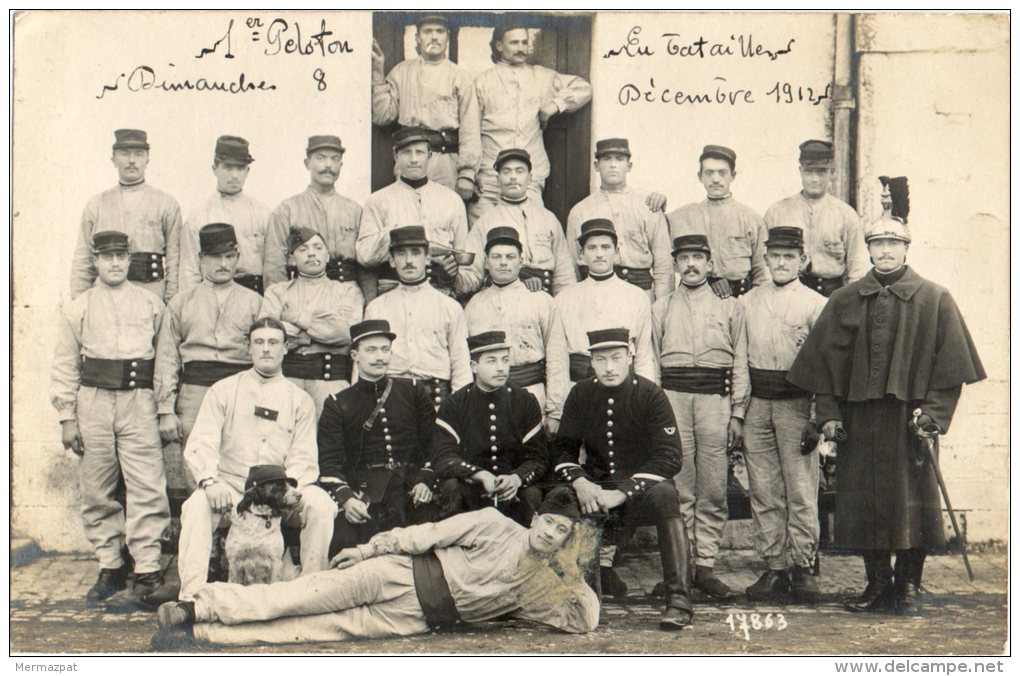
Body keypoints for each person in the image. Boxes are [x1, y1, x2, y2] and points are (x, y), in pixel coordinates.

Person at [787, 177, 985, 616]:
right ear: (869, 249)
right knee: (861, 502)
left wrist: (933, 414)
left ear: (906, 249)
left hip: (908, 421)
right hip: (859, 420)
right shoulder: (844, 299)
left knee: (912, 504)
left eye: (893, 244)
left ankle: (908, 586)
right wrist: (830, 417)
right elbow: (824, 369)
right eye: (877, 244)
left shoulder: (935, 299)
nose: (885, 252)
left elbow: (950, 369)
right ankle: (876, 584)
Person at [154, 488, 599, 646]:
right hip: (397, 572)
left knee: (305, 631)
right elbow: (425, 535)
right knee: (297, 596)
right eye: (548, 523)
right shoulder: (492, 522)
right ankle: (196, 609)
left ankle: (199, 636)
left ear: (565, 539)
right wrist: (369, 551)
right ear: (535, 519)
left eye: (562, 531)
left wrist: (572, 568)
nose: (549, 533)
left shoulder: (546, 585)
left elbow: (585, 621)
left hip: (411, 618)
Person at [176, 317, 338, 602]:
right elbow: (201, 441)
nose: (266, 349)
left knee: (322, 506)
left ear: (286, 348)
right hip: (232, 486)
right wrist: (210, 482)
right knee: (196, 507)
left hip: (279, 490)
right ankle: (191, 597)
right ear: (248, 348)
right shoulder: (223, 390)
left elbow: (304, 457)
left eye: (273, 342)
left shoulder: (299, 399)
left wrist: (283, 494)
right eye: (259, 342)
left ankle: (312, 592)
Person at [51, 230, 172, 607]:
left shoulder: (151, 304)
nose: (116, 263)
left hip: (139, 401)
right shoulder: (79, 307)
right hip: (94, 402)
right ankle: (110, 564)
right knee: (96, 486)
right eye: (108, 257)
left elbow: (165, 361)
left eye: (122, 256)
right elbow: (65, 363)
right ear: (96, 262)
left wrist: (164, 406)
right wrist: (67, 418)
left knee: (146, 484)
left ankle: (148, 567)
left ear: (130, 258)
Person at [552, 328, 692, 631]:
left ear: (630, 356)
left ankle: (679, 603)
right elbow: (562, 449)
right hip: (597, 483)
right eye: (600, 360)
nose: (609, 367)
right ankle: (587, 601)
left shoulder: (650, 393)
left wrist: (625, 491)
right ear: (591, 362)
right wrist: (580, 481)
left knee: (667, 497)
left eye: (616, 358)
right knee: (567, 499)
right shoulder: (581, 394)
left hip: (642, 485)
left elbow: (670, 457)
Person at [651, 234, 749, 599]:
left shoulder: (730, 307)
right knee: (679, 488)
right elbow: (652, 364)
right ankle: (681, 568)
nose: (690, 265)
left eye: (698, 258)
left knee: (711, 489)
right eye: (683, 258)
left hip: (715, 401)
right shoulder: (660, 308)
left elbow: (740, 361)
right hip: (673, 402)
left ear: (710, 264)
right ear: (674, 264)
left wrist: (737, 412)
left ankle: (705, 567)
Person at [738, 227, 827, 602]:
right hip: (758, 402)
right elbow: (740, 359)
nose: (781, 262)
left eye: (789, 256)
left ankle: (802, 566)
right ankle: (774, 566)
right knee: (764, 489)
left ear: (802, 261)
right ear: (765, 259)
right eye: (774, 255)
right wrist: (738, 412)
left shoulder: (815, 304)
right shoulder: (748, 301)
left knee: (801, 488)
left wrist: (816, 415)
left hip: (796, 403)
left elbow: (825, 364)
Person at [155, 223, 263, 492]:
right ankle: (204, 528)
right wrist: (166, 409)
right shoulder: (181, 302)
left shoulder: (255, 302)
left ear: (238, 258)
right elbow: (167, 357)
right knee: (196, 458)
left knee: (242, 456)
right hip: (195, 391)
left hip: (241, 388)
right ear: (202, 260)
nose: (223, 264)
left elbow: (265, 354)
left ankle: (237, 529)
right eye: (215, 257)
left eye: (229, 257)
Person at [317, 319, 438, 556]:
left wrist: (426, 480)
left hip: (412, 487)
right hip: (366, 493)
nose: (379, 357)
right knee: (345, 542)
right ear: (355, 355)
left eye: (385, 349)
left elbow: (434, 444)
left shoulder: (413, 391)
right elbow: (329, 463)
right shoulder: (338, 403)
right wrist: (347, 499)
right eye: (371, 350)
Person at [470, 21, 593, 223]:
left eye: (524, 42)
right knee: (487, 234)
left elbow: (583, 88)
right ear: (499, 45)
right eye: (514, 43)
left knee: (532, 231)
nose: (521, 48)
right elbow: (471, 130)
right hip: (490, 176)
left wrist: (556, 104)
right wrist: (471, 173)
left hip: (530, 175)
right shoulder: (482, 82)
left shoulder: (542, 76)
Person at [430, 330, 549, 526]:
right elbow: (443, 457)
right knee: (452, 488)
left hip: (513, 489)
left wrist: (517, 478)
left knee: (532, 494)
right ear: (473, 366)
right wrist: (478, 474)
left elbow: (538, 456)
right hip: (472, 488)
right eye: (491, 361)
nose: (501, 368)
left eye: (504, 360)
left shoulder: (524, 401)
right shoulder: (454, 404)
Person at [464, 226, 569, 433]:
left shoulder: (541, 301)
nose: (503, 262)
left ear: (521, 261)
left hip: (533, 394)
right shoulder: (474, 305)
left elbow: (557, 357)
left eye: (510, 256)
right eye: (496, 257)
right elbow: (466, 361)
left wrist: (555, 411)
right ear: (486, 262)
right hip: (487, 398)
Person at [356, 126, 471, 301]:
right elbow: (364, 255)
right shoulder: (378, 201)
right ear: (396, 157)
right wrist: (396, 233)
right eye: (406, 153)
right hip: (393, 290)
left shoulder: (452, 201)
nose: (414, 159)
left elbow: (463, 255)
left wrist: (452, 272)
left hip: (440, 290)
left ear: (430, 156)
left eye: (420, 152)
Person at [371, 13, 481, 195]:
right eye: (428, 31)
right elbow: (382, 116)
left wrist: (467, 173)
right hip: (410, 158)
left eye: (439, 31)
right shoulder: (401, 72)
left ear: (447, 37)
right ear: (418, 38)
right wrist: (377, 73)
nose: (434, 37)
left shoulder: (461, 77)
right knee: (409, 216)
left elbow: (470, 128)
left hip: (446, 162)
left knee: (444, 217)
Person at [260, 227, 364, 418]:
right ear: (292, 258)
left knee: (329, 442)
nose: (311, 253)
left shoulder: (347, 291)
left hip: (331, 384)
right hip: (285, 384)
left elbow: (346, 332)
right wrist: (314, 335)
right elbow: (269, 339)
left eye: (317, 247)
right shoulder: (277, 292)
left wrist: (298, 318)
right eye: (303, 249)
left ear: (327, 255)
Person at [364, 225, 471, 408]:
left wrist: (459, 411)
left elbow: (460, 364)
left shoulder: (450, 307)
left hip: (437, 402)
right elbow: (365, 364)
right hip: (390, 403)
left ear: (428, 258)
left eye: (415, 253)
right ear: (391, 260)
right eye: (401, 254)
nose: (408, 261)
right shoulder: (377, 308)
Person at [70, 129, 182, 302]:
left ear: (147, 160)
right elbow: (83, 258)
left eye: (138, 154)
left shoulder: (166, 204)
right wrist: (79, 303)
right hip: (104, 298)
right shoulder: (96, 205)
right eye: (124, 154)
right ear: (113, 159)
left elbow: (174, 259)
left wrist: (170, 303)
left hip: (151, 295)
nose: (131, 161)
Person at [566, 138, 673, 301]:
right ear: (596, 165)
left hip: (640, 293)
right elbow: (572, 266)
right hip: (594, 295)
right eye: (606, 159)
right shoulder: (580, 211)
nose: (613, 165)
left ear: (629, 166)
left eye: (619, 159)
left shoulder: (647, 207)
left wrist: (661, 305)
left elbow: (664, 266)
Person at [460, 148, 576, 296]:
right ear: (497, 180)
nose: (513, 177)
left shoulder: (548, 219)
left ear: (530, 178)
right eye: (506, 172)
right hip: (500, 299)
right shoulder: (485, 222)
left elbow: (564, 274)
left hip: (544, 298)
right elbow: (472, 276)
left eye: (519, 171)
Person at [556, 219, 656, 386]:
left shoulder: (636, 296)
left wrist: (643, 396)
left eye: (606, 247)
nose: (599, 254)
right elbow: (558, 359)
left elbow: (644, 356)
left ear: (616, 252)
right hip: (578, 385)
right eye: (592, 248)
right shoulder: (564, 299)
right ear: (581, 255)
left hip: (624, 386)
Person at [263, 135, 367, 297]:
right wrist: (280, 303)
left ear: (341, 164)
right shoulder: (287, 210)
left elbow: (364, 265)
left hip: (348, 295)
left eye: (335, 159)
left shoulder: (355, 211)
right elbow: (274, 265)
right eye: (321, 158)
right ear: (307, 163)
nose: (328, 165)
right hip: (303, 296)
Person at [763, 140, 868, 296]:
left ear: (832, 173)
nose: (814, 179)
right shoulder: (777, 212)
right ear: (800, 171)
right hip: (787, 295)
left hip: (830, 297)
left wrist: (851, 302)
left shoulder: (845, 215)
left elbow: (857, 266)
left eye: (821, 172)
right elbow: (764, 263)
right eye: (809, 172)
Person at [666, 145, 769, 299]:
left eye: (722, 173)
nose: (715, 179)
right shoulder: (680, 217)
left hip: (739, 297)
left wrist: (753, 303)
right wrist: (657, 200)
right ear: (699, 176)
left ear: (733, 176)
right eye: (709, 173)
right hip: (694, 297)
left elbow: (761, 272)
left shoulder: (750, 218)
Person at [178, 136, 272, 295]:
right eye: (228, 167)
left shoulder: (264, 214)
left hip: (256, 294)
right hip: (214, 295)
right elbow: (189, 272)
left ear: (247, 171)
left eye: (240, 168)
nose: (235, 175)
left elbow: (273, 266)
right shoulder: (199, 217)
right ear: (214, 169)